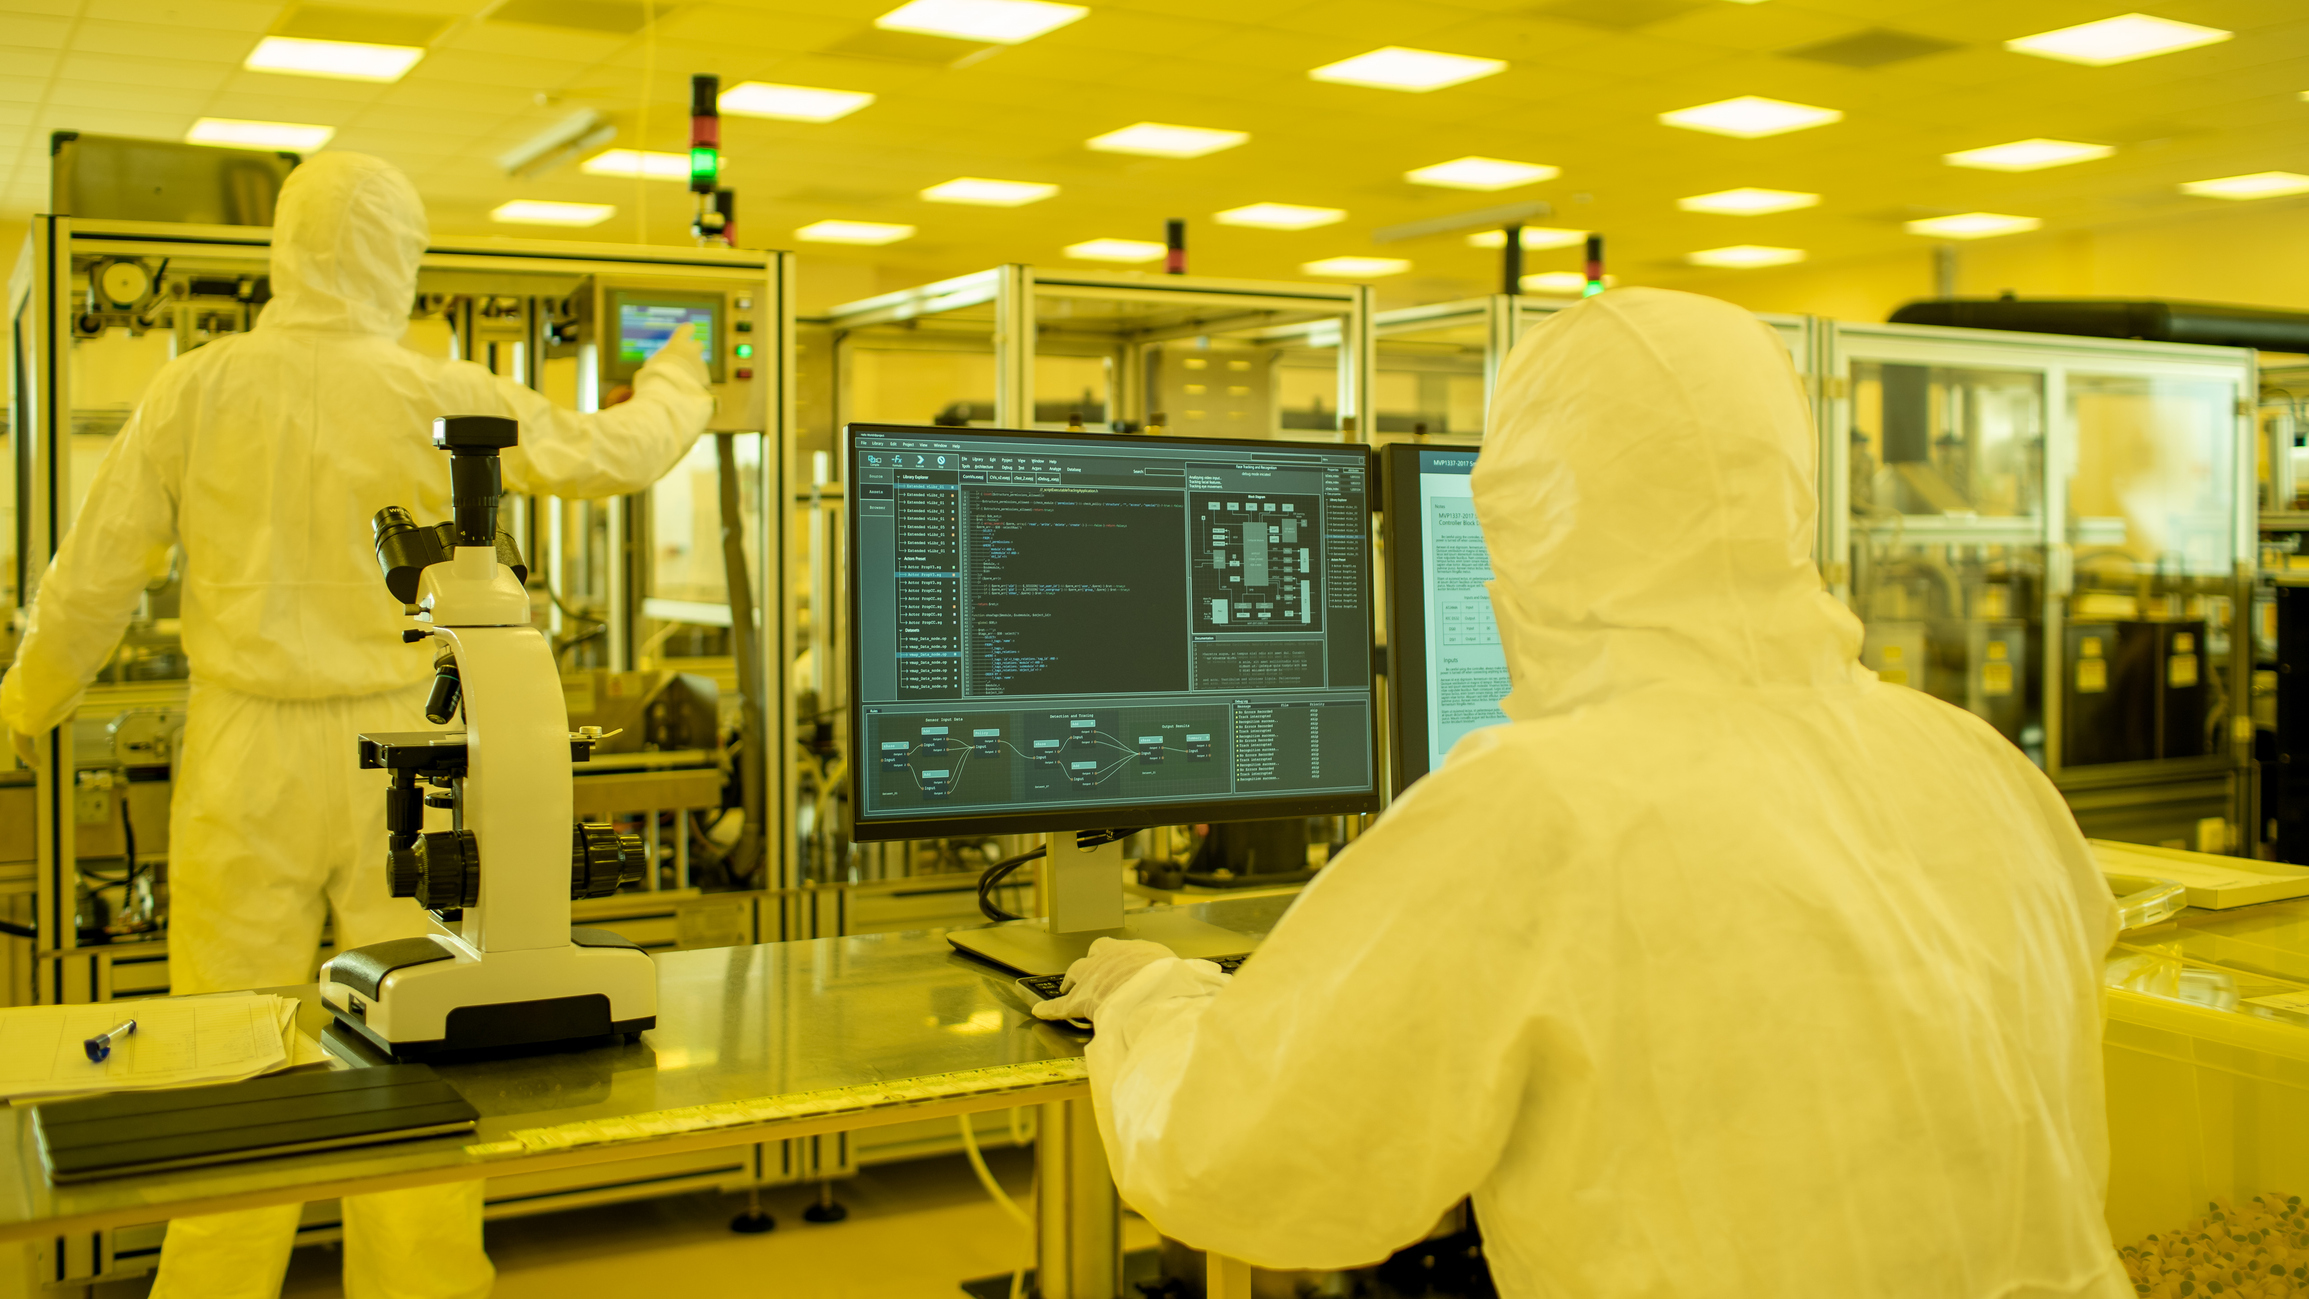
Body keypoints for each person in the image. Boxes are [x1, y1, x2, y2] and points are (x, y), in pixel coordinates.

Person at [1035, 288, 2127, 1299]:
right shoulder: (1976, 763)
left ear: (1528, 512)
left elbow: (1244, 1163)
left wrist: (1147, 1000)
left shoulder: (1542, 806)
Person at [1, 151, 713, 1299]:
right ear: (402, 256)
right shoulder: (434, 387)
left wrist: (21, 715)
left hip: (245, 758)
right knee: (419, 1052)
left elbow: (91, 578)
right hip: (414, 748)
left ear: (282, 247)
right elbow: (610, 454)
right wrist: (680, 377)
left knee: (228, 1065)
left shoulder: (196, 384)